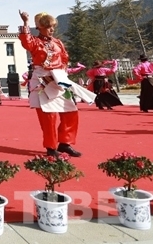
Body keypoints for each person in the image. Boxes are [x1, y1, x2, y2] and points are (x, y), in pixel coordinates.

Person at [18, 10, 95, 157]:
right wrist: (25, 22)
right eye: (48, 27)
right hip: (43, 80)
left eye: (53, 26)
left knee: (71, 111)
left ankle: (65, 143)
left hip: (59, 80)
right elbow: (26, 41)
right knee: (49, 116)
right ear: (39, 27)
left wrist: (62, 73)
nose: (51, 29)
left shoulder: (58, 42)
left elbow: (65, 57)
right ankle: (51, 147)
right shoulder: (35, 42)